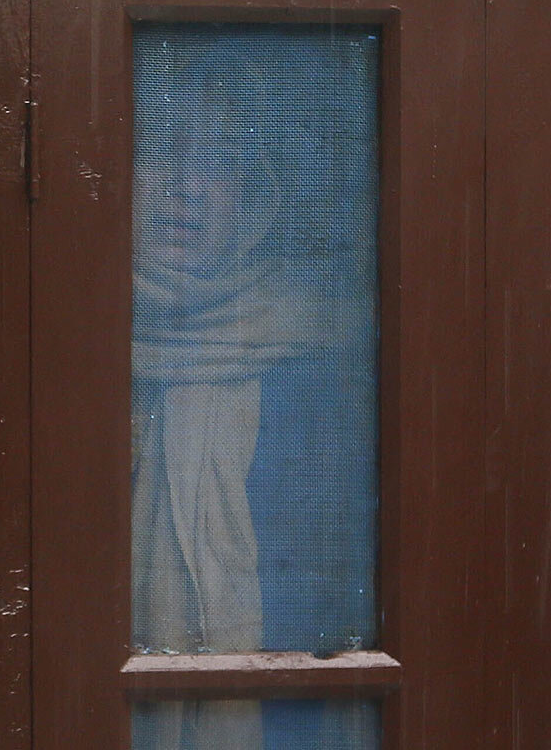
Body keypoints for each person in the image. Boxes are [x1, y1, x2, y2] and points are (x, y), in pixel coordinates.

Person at [129, 75, 377, 749]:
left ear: (255, 197)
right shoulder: (62, 341)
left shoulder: (317, 356)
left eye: (220, 162)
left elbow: (338, 601)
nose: (188, 186)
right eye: (160, 151)